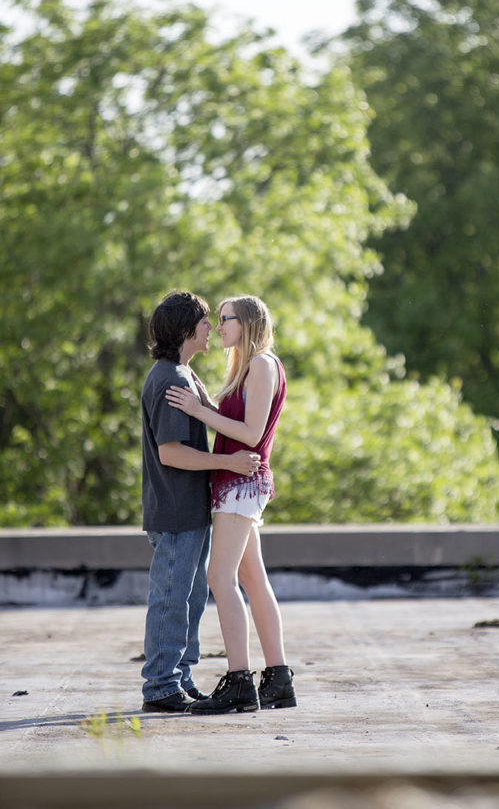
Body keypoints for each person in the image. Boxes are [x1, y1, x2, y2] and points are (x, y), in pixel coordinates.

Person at [165, 293, 296, 714]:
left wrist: (199, 411)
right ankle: (277, 679)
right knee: (252, 578)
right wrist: (206, 402)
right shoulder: (251, 364)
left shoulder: (261, 364)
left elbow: (253, 434)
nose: (218, 327)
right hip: (237, 483)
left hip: (241, 483)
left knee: (219, 577)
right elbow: (238, 422)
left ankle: (240, 681)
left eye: (226, 319)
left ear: (249, 321)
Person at [140, 290, 261, 713]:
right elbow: (170, 453)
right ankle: (159, 686)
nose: (212, 328)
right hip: (174, 511)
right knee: (172, 599)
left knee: (190, 600)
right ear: (187, 329)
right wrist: (228, 460)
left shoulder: (186, 375)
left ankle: (180, 678)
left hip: (190, 511)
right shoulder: (170, 377)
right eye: (206, 322)